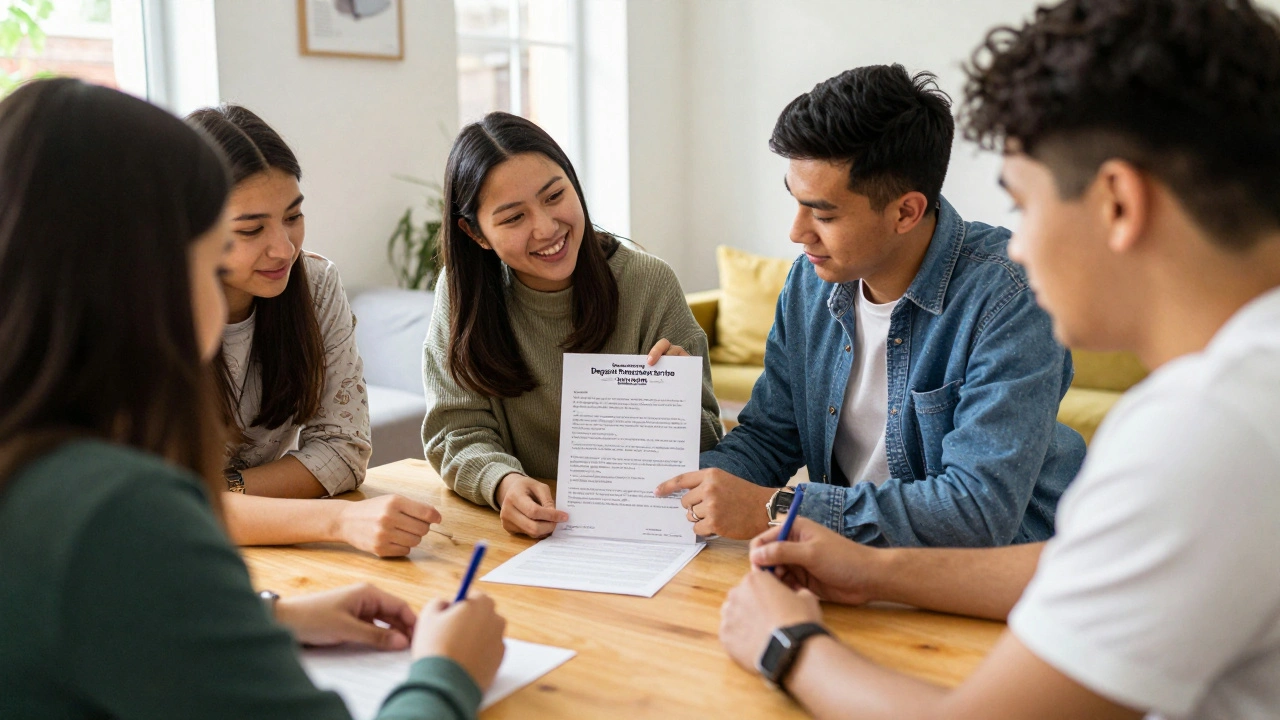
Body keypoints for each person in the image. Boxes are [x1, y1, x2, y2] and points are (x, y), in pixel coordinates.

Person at [719, 1, 1280, 717]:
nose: (1017, 244)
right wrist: (872, 567)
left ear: (1116, 203)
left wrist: (789, 644)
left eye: (1025, 205)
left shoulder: (1203, 432)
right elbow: (1078, 568)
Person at [0, 79, 506, 719]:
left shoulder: (39, 464)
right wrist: (445, 673)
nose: (284, 249)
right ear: (141, 276)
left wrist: (270, 617)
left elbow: (98, 623)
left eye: (294, 216)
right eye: (216, 251)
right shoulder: (118, 510)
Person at [656, 64, 1084, 546]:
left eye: (823, 213)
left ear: (906, 211)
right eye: (796, 203)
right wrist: (665, 492)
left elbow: (978, 510)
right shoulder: (808, 282)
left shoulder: (1009, 295)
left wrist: (779, 507)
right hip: (856, 563)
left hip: (1006, 575)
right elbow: (770, 437)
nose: (796, 233)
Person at [423, 112, 723, 538]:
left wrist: (677, 400)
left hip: (641, 531)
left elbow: (712, 444)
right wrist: (503, 484)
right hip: (524, 536)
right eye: (513, 218)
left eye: (554, 196)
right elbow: (455, 432)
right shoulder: (459, 295)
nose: (546, 228)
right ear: (476, 234)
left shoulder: (648, 283)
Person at [187, 105, 442, 559]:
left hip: (275, 548)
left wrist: (224, 492)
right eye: (251, 229)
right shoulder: (146, 312)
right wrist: (339, 520)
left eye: (292, 216)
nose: (283, 249)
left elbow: (343, 452)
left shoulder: (316, 284)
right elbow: (166, 510)